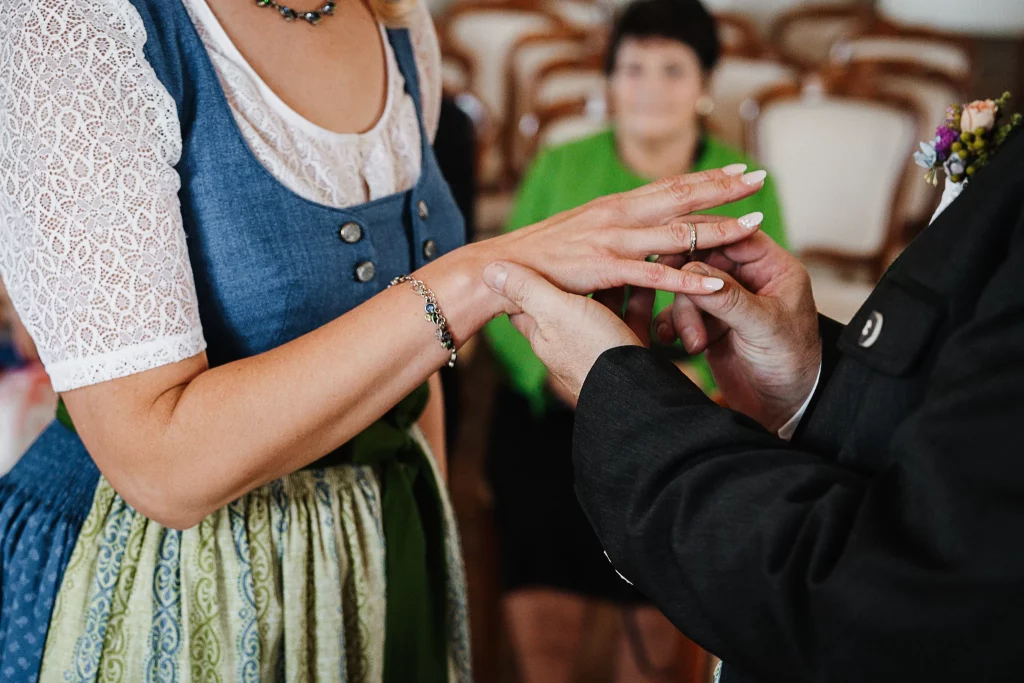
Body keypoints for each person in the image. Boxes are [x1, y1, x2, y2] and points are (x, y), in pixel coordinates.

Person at [0, 0, 767, 678]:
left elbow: (416, 371)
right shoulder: (82, 25)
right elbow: (161, 469)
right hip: (172, 572)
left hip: (381, 535)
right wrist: (481, 274)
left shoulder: (397, 23)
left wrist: (430, 540)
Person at [480, 124, 1024, 682]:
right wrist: (808, 387)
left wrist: (623, 395)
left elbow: (891, 591)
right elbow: (943, 421)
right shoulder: (563, 160)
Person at [483, 0, 786, 678]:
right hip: (556, 404)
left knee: (660, 605)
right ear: (611, 81)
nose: (649, 85)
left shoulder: (741, 183)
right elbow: (502, 299)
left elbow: (768, 314)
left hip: (685, 410)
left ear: (705, 84)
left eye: (672, 69)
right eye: (633, 67)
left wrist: (684, 396)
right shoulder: (561, 165)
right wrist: (565, 379)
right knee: (537, 520)